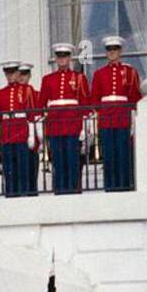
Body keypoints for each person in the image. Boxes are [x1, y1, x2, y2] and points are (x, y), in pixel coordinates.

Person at [91, 36, 141, 191]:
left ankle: (124, 185)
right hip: (107, 118)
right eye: (109, 50)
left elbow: (134, 97)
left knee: (123, 153)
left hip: (123, 117)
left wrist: (133, 120)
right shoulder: (99, 74)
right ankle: (110, 186)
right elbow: (95, 99)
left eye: (115, 49)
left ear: (120, 52)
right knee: (109, 154)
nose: (112, 53)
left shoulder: (130, 72)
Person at [40, 42, 91, 194]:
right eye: (59, 56)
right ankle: (60, 190)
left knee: (72, 159)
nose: (62, 60)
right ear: (56, 59)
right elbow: (41, 103)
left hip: (73, 124)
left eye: (65, 56)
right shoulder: (48, 79)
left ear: (70, 59)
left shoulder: (79, 78)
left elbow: (85, 104)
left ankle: (73, 189)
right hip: (55, 125)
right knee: (58, 159)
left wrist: (84, 127)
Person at [0, 61, 41, 197]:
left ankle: (24, 196)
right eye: (8, 73)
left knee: (23, 168)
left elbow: (31, 113)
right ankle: (11, 196)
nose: (10, 76)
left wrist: (31, 135)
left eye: (13, 73)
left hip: (21, 132)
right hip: (7, 133)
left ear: (18, 73)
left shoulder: (27, 90)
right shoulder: (0, 93)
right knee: (9, 169)